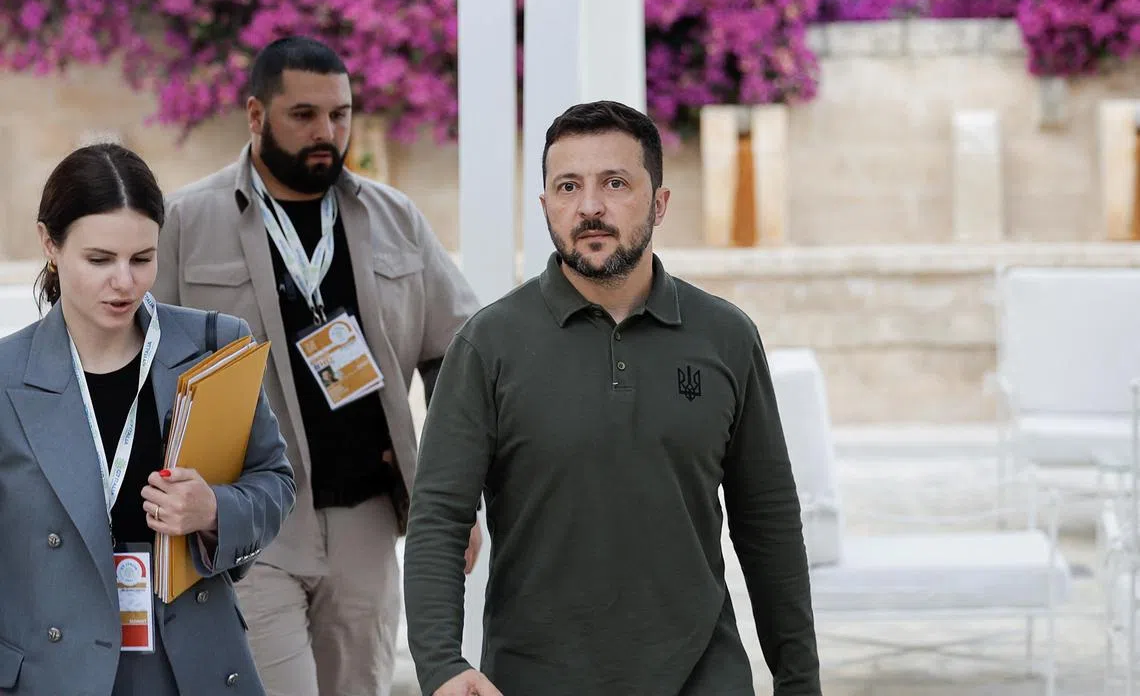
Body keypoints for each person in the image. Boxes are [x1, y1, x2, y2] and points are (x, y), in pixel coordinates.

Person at [404, 101, 822, 696]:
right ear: (545, 205)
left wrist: (799, 679)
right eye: (568, 186)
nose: (590, 207)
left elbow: (768, 520)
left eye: (615, 183)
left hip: (704, 675)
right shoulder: (487, 345)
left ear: (659, 202)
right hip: (533, 680)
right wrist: (441, 664)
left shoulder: (725, 336)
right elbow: (439, 518)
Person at [152, 36, 482, 696]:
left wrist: (452, 499)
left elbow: (456, 355)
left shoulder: (394, 217)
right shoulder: (188, 220)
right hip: (251, 520)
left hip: (368, 520)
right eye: (303, 115)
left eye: (340, 113)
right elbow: (146, 369)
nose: (326, 133)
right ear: (256, 115)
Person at [0, 143, 296, 695]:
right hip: (54, 672)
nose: (125, 282)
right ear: (49, 243)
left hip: (192, 665)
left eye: (142, 259)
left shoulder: (216, 343)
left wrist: (215, 510)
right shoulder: (5, 377)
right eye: (99, 260)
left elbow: (276, 484)